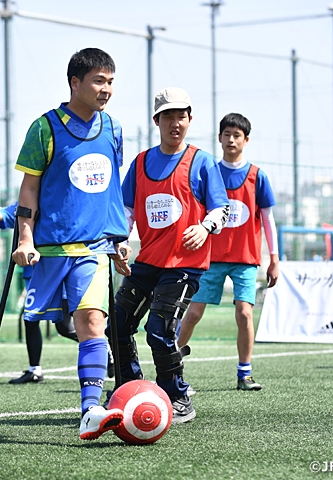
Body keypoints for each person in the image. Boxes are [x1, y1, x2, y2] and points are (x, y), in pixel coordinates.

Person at [12, 48, 130, 441]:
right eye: (99, 80)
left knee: (91, 322)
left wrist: (118, 237)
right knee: (47, 323)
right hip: (49, 249)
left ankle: (90, 410)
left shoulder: (112, 128)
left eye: (110, 81)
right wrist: (25, 236)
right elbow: (29, 187)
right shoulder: (44, 128)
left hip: (94, 248)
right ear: (75, 83)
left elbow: (112, 188)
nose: (106, 89)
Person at [107, 87, 230, 424]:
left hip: (186, 265)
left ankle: (177, 395)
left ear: (189, 119)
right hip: (148, 260)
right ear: (156, 120)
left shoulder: (201, 160)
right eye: (169, 116)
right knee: (116, 324)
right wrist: (121, 240)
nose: (176, 122)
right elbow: (127, 209)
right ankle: (129, 388)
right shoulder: (142, 162)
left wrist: (205, 227)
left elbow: (222, 206)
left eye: (182, 116)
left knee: (159, 330)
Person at [177, 113, 279, 391]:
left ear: (246, 140)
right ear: (219, 138)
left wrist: (274, 259)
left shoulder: (258, 176)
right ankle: (170, 368)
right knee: (194, 312)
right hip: (210, 258)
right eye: (226, 134)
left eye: (237, 135)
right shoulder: (209, 171)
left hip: (245, 260)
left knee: (244, 313)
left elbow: (268, 219)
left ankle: (244, 373)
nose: (231, 139)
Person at [0, 203, 83, 384]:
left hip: (58, 268)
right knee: (30, 318)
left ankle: (102, 349)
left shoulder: (60, 201)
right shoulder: (30, 199)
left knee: (63, 327)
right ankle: (35, 370)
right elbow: (4, 213)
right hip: (35, 271)